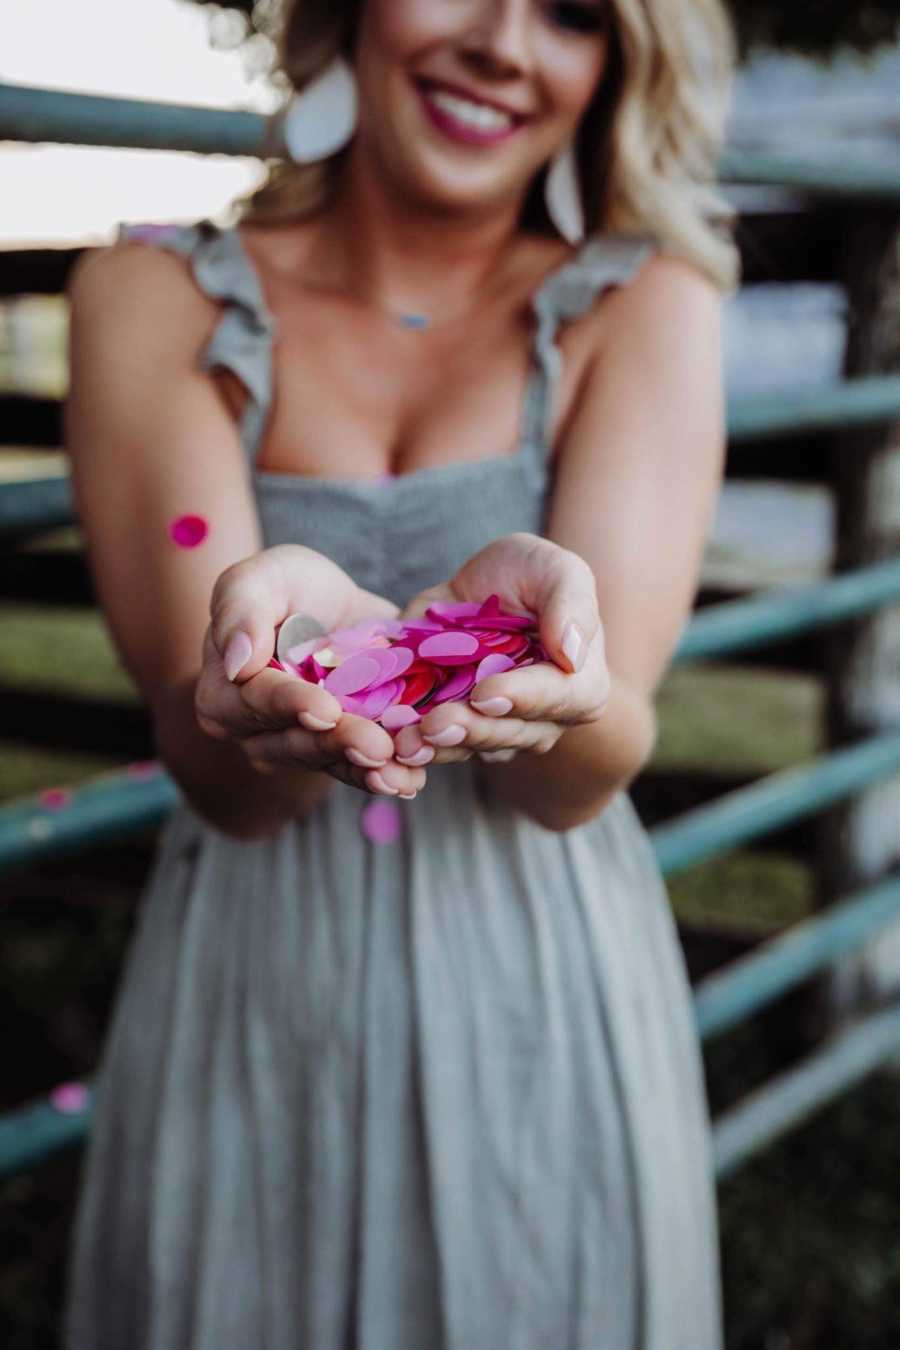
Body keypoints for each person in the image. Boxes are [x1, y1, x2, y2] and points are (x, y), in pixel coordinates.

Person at [62, 0, 739, 1346]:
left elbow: (589, 771)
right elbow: (225, 781)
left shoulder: (646, 307)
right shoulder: (152, 297)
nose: (502, 41)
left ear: (614, 61)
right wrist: (282, 685)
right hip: (254, 984)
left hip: (540, 983)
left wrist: (561, 683)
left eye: (570, 12)